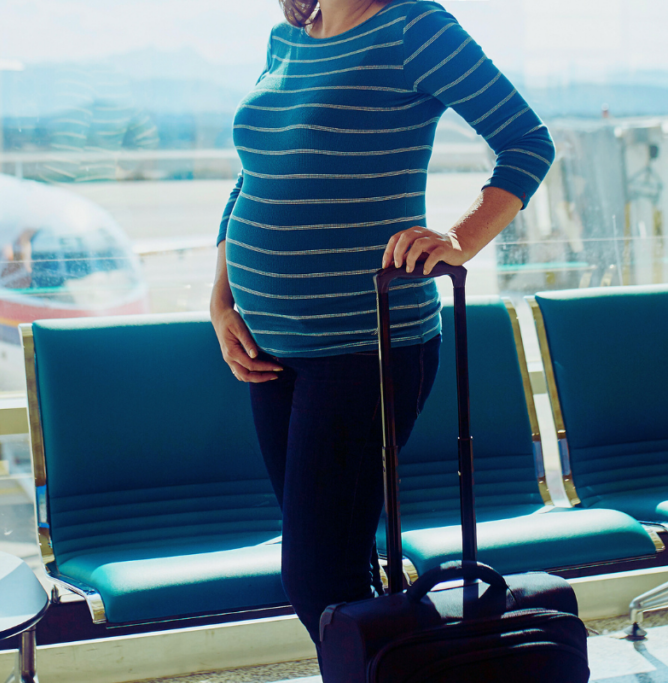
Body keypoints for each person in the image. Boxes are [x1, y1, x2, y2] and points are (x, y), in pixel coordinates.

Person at [209, 0, 555, 673]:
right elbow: (250, 179)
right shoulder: (289, 38)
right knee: (338, 570)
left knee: (315, 575)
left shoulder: (413, 27)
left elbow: (526, 140)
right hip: (271, 352)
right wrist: (221, 299)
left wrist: (459, 239)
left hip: (364, 348)